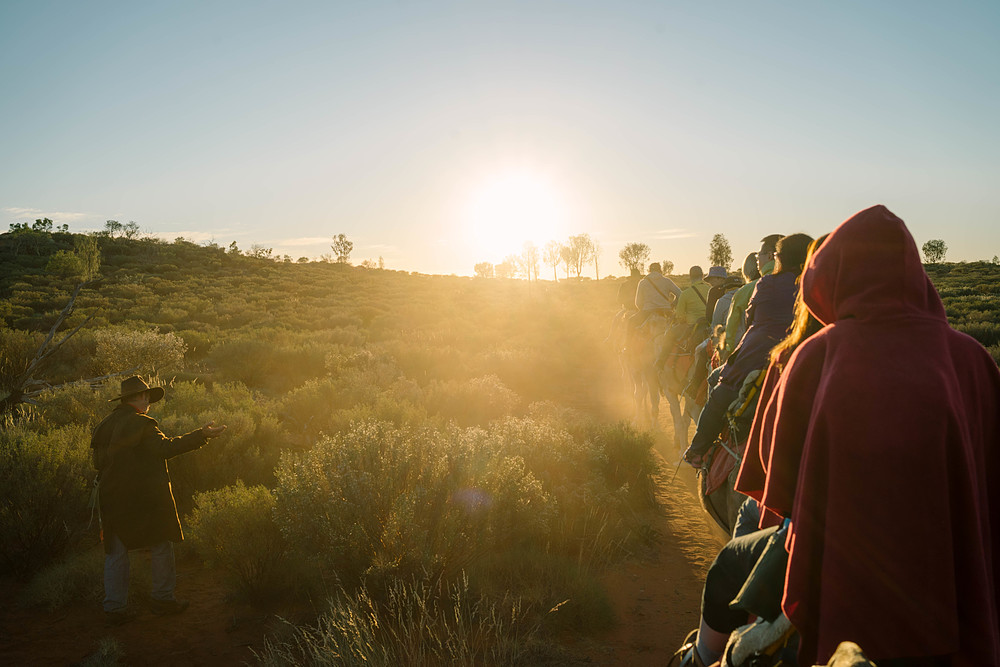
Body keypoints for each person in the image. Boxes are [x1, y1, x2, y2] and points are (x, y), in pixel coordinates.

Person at [746, 206, 1000, 665]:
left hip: (848, 591)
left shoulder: (816, 355)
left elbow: (774, 477)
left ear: (832, 274)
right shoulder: (976, 359)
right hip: (954, 590)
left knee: (735, 572)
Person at [674, 237, 826, 667]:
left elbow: (738, 328)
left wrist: (727, 355)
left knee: (719, 390)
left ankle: (699, 449)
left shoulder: (759, 287)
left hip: (759, 350)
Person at [91, 376, 227, 625]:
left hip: (111, 497)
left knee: (116, 552)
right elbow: (165, 448)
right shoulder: (143, 423)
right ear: (141, 398)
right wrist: (201, 435)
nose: (149, 403)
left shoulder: (104, 425)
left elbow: (97, 463)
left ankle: (114, 609)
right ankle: (163, 599)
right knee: (161, 544)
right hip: (144, 499)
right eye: (147, 398)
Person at [683, 233, 813, 467]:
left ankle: (700, 449)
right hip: (805, 359)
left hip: (757, 356)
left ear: (779, 257)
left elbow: (743, 320)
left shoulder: (765, 284)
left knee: (716, 380)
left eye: (767, 255)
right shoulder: (813, 282)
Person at [724, 236, 780, 359]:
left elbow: (732, 333)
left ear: (770, 256)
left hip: (758, 354)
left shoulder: (747, 290)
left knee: (715, 377)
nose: (757, 260)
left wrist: (727, 353)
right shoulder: (799, 284)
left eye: (758, 256)